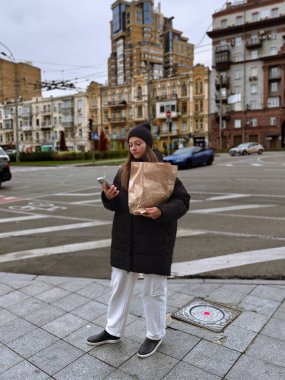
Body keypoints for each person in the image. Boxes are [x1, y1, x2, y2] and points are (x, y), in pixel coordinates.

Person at [87, 123, 190, 358]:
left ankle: (155, 334)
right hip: (126, 239)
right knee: (118, 287)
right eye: (130, 144)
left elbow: (183, 201)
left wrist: (161, 211)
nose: (133, 147)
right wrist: (108, 197)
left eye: (138, 143)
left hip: (155, 241)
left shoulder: (162, 170)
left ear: (148, 144)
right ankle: (112, 331)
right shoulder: (124, 171)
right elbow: (115, 205)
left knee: (153, 291)